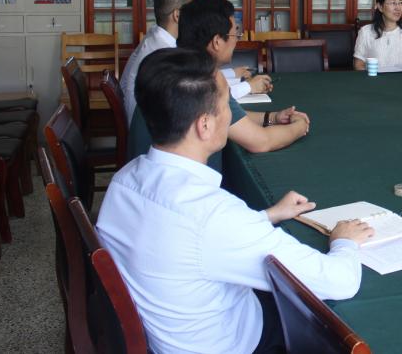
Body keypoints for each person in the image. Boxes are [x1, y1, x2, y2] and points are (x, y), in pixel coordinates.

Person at [98, 47, 373, 354]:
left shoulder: (124, 179)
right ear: (204, 125)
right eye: (227, 103)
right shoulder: (214, 216)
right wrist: (344, 241)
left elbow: (201, 239)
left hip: (171, 332)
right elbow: (339, 282)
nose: (231, 113)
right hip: (237, 342)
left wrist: (267, 215)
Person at [127, 0, 310, 171]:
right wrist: (299, 127)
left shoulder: (170, 65)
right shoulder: (203, 79)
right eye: (235, 33)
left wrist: (273, 117)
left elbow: (228, 115)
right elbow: (261, 141)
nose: (237, 39)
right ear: (216, 42)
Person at [120, 0, 193, 124]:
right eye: (192, 12)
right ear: (177, 15)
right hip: (148, 128)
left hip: (144, 122)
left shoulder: (155, 36)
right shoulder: (163, 52)